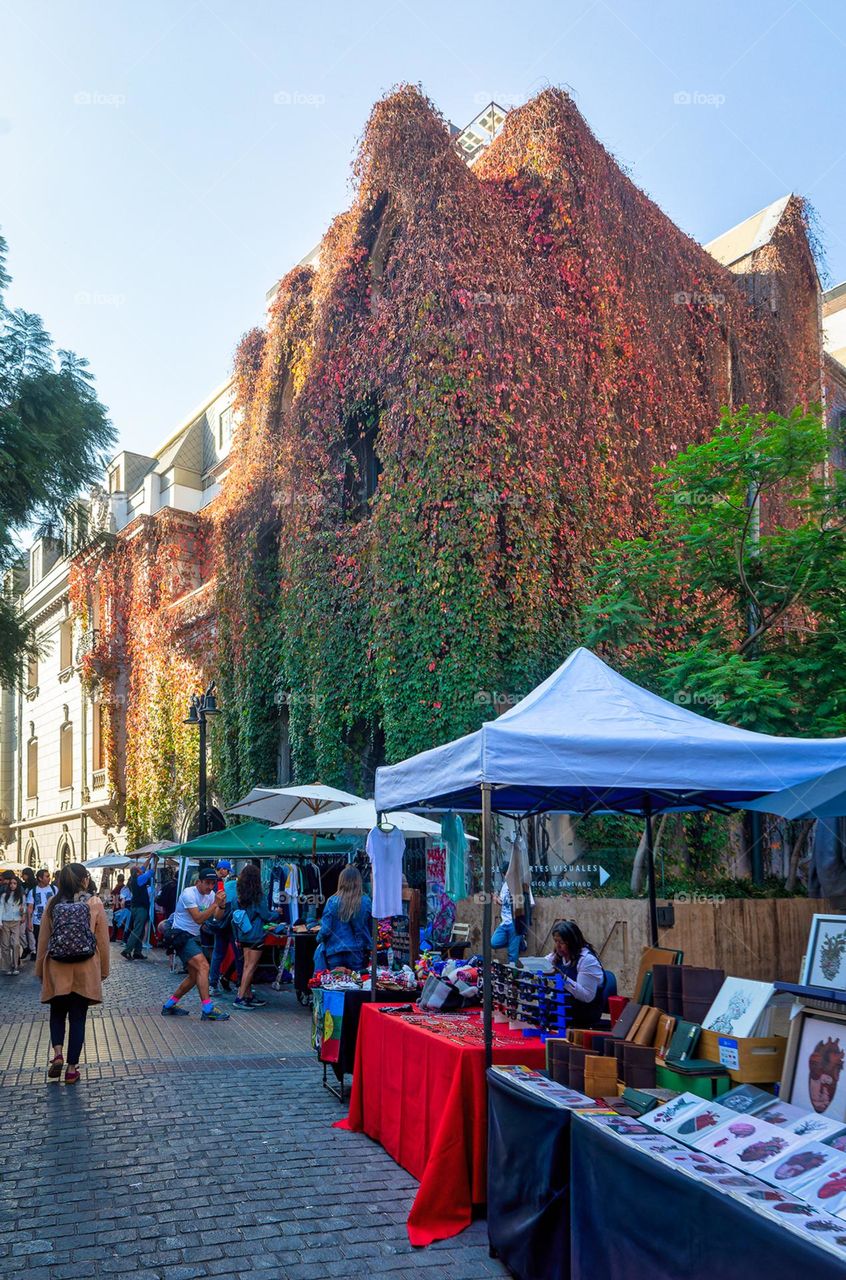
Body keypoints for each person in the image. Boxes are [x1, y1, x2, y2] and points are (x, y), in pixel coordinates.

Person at [36, 862, 110, 1084]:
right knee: (78, 1019)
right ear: (84, 880)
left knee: (57, 1013)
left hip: (58, 966)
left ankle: (57, 1053)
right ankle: (71, 1069)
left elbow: (43, 940)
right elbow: (103, 941)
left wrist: (41, 969)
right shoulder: (94, 902)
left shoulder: (53, 903)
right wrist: (103, 971)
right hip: (85, 968)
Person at [160, 865, 230, 1020]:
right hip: (181, 936)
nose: (210, 886)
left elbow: (217, 917)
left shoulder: (211, 895)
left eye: (213, 883)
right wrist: (215, 904)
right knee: (204, 966)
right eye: (207, 883)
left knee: (194, 976)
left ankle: (169, 1005)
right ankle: (207, 1009)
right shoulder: (188, 893)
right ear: (199, 882)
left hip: (194, 937)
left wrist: (222, 905)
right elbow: (198, 918)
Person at [231, 863, 278, 1011]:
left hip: (243, 935)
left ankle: (248, 995)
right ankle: (240, 997)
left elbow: (235, 919)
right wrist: (278, 913)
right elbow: (266, 915)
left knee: (246, 965)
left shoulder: (237, 898)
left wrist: (237, 937)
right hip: (256, 935)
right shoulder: (258, 897)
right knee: (251, 967)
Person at [545, 919, 606, 1029]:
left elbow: (587, 996)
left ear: (572, 942)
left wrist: (563, 978)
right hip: (562, 1012)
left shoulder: (587, 960)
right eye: (556, 941)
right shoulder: (557, 956)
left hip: (583, 1015)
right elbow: (542, 964)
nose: (558, 946)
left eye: (562, 943)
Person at [313, 865, 372, 974]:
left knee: (335, 984)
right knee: (356, 985)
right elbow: (371, 928)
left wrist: (318, 938)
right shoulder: (366, 901)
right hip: (357, 952)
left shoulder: (332, 901)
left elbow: (326, 929)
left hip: (334, 951)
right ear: (359, 882)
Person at [208, 859, 238, 997]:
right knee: (223, 953)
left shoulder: (223, 883)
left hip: (224, 923)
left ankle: (217, 982)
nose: (224, 872)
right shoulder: (216, 883)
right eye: (223, 869)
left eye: (226, 870)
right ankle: (215, 983)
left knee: (221, 954)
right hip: (223, 923)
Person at [122, 858, 155, 960]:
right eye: (140, 871)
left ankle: (137, 952)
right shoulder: (140, 879)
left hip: (136, 906)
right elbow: (151, 872)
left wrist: (149, 858)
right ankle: (127, 951)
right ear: (137, 873)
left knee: (140, 931)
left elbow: (144, 867)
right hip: (141, 907)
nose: (142, 871)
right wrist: (156, 861)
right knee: (137, 930)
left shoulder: (134, 879)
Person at [490, 874, 522, 965]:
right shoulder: (504, 885)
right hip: (504, 923)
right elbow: (503, 902)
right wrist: (496, 899)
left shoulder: (519, 884)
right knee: (494, 943)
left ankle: (512, 976)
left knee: (512, 956)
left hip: (514, 922)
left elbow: (529, 904)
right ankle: (518, 942)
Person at [26, 868, 56, 959]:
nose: (49, 878)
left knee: (52, 941)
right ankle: (41, 961)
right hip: (38, 922)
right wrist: (29, 922)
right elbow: (30, 907)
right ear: (40, 878)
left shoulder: (54, 889)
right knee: (40, 943)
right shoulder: (33, 891)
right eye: (46, 876)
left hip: (52, 920)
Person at [0, 875, 26, 975]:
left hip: (16, 921)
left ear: (17, 884)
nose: (12, 885)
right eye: (11, 883)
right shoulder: (3, 896)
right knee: (5, 945)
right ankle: (7, 966)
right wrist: (0, 922)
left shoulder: (21, 896)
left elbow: (24, 908)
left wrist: (22, 912)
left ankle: (15, 966)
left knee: (16, 944)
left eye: (14, 883)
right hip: (5, 921)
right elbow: (1, 908)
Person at [19, 868, 37, 958]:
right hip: (23, 909)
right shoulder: (22, 885)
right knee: (22, 931)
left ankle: (33, 950)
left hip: (32, 909)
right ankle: (26, 947)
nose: (23, 876)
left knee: (30, 930)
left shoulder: (34, 885)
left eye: (24, 874)